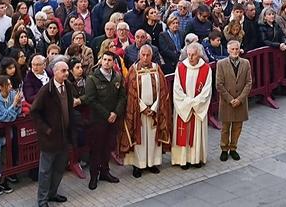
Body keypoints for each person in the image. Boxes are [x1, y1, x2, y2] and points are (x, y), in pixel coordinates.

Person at [119, 44, 170, 177]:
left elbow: (162, 90)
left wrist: (154, 107)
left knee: (153, 137)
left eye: (148, 55)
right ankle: (138, 165)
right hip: (139, 112)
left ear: (152, 56)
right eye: (143, 55)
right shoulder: (133, 70)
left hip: (155, 111)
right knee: (139, 138)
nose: (146, 58)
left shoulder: (156, 68)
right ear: (139, 55)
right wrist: (143, 108)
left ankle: (153, 163)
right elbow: (131, 93)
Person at [30, 60, 73, 207]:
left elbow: (70, 109)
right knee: (45, 171)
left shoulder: (68, 86)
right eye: (63, 71)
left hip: (64, 136)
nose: (66, 73)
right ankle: (42, 201)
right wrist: (46, 129)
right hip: (49, 139)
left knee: (59, 168)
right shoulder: (46, 91)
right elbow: (34, 112)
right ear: (55, 72)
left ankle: (52, 193)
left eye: (67, 70)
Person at [84, 51, 126, 190]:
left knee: (108, 147)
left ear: (114, 62)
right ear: (101, 61)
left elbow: (122, 97)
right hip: (98, 121)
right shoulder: (92, 78)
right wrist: (107, 114)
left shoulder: (117, 77)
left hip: (113, 119)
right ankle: (94, 177)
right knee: (96, 149)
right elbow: (91, 100)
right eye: (105, 59)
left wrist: (115, 113)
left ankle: (105, 172)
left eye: (110, 60)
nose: (107, 62)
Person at [171, 42, 212, 168]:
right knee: (182, 132)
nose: (190, 57)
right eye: (188, 54)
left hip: (197, 109)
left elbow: (207, 91)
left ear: (199, 55)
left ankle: (195, 159)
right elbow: (177, 89)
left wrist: (194, 104)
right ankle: (182, 160)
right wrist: (189, 103)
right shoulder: (181, 67)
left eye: (193, 55)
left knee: (196, 134)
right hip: (183, 108)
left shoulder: (206, 69)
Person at [215, 40, 251, 161]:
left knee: (237, 127)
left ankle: (233, 148)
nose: (235, 51)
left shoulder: (246, 63)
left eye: (237, 49)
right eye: (232, 49)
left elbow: (248, 83)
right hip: (226, 102)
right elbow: (219, 84)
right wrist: (230, 99)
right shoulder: (221, 64)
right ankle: (224, 149)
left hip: (241, 102)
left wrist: (240, 99)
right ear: (228, 50)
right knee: (225, 128)